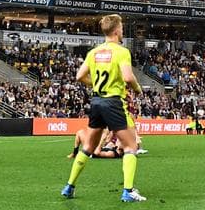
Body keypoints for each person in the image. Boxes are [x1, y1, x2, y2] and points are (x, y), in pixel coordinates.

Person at [62, 14, 146, 203]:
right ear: (116, 30)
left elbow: (79, 76)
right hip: (113, 102)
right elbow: (127, 77)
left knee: (89, 147)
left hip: (97, 102)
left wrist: (95, 85)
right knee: (131, 146)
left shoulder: (94, 52)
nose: (123, 31)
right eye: (122, 28)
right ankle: (128, 191)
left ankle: (69, 186)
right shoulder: (121, 51)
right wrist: (137, 89)